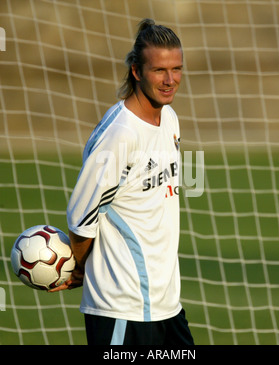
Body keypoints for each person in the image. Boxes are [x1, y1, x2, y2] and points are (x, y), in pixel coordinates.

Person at [50, 18, 194, 346]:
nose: (170, 80)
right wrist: (79, 267)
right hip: (122, 309)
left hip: (167, 305)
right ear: (137, 71)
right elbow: (82, 215)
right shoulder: (118, 136)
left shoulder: (169, 118)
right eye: (159, 70)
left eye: (177, 69)